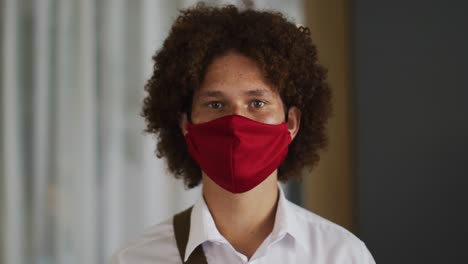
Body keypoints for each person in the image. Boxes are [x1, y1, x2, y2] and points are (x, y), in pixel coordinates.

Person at [111, 3, 375, 264]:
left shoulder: (342, 255)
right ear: (185, 124)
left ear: (291, 123)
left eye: (257, 104)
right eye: (216, 104)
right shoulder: (135, 259)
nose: (236, 123)